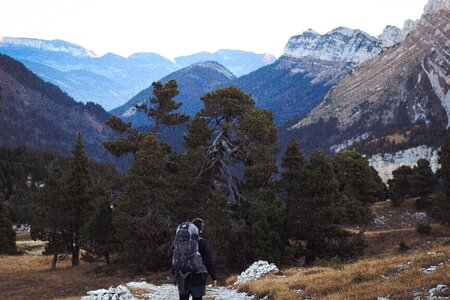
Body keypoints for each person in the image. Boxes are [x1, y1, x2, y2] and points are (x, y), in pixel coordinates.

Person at [177, 218, 217, 300]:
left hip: (182, 276)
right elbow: (208, 261)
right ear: (201, 228)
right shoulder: (202, 242)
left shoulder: (181, 241)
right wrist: (214, 277)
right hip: (198, 276)